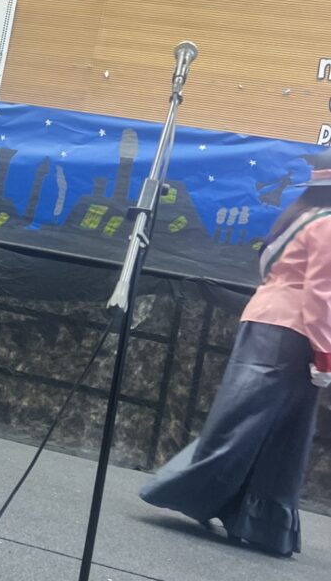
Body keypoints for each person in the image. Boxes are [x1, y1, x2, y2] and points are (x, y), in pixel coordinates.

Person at [139, 153, 331, 557]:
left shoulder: (298, 218)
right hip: (295, 332)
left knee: (250, 420)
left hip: (266, 321)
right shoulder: (328, 224)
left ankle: (232, 509)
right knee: (278, 433)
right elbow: (320, 296)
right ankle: (235, 512)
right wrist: (325, 355)